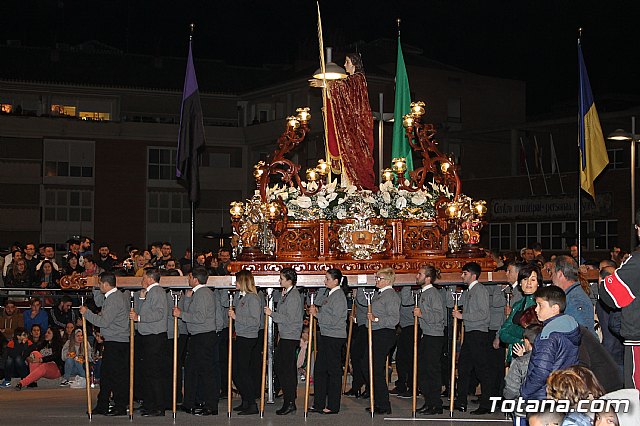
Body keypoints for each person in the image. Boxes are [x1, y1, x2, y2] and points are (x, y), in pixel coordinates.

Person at [310, 52, 375, 190]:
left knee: (355, 156)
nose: (345, 65)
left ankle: (357, 186)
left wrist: (324, 84)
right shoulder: (352, 80)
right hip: (351, 123)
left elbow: (343, 88)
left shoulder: (358, 79)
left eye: (347, 62)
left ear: (354, 63)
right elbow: (344, 98)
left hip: (356, 127)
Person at [598, 210, 640, 390]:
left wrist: (605, 279)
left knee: (636, 394)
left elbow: (611, 295)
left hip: (638, 339)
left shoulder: (637, 261)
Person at [80, 272, 130, 416]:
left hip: (117, 342)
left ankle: (120, 406)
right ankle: (103, 404)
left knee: (116, 376)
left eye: (100, 283)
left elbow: (104, 321)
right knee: (107, 375)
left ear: (106, 284)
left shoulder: (114, 299)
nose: (99, 285)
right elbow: (102, 307)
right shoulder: (112, 297)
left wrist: (87, 313)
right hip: (113, 340)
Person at [520, 286, 581, 401]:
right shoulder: (571, 327)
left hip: (545, 395)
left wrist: (525, 391)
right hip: (565, 391)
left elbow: (541, 371)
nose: (536, 310)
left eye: (540, 305)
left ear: (555, 308)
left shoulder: (548, 335)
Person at [173, 267, 220, 416]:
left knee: (206, 372)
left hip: (203, 336)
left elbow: (200, 317)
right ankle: (189, 403)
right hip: (197, 336)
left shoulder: (203, 294)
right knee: (192, 370)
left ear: (195, 279)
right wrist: (187, 299)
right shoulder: (197, 293)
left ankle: (211, 406)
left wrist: (181, 315)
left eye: (189, 277)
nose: (188, 279)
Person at [452, 262, 493, 414]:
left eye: (465, 273)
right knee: (463, 368)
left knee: (482, 369)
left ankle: (486, 404)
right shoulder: (469, 291)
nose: (462, 276)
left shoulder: (479, 290)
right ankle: (461, 401)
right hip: (470, 333)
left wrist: (463, 316)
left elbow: (484, 314)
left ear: (473, 275)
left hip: (478, 333)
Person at [308, 268, 349, 414]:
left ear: (336, 281)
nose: (325, 281)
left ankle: (333, 405)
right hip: (326, 335)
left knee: (333, 372)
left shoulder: (338, 296)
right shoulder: (329, 294)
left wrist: (318, 315)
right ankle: (318, 402)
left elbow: (335, 319)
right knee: (320, 370)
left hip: (334, 336)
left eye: (327, 279)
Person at [129, 268, 168, 417]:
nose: (141, 279)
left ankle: (158, 407)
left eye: (144, 277)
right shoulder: (151, 292)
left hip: (154, 337)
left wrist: (139, 318)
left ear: (150, 278)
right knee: (149, 373)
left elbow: (158, 313)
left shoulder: (157, 292)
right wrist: (140, 299)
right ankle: (150, 404)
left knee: (154, 373)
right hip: (149, 336)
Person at [264, 267, 303, 415]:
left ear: (289, 280)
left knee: (285, 369)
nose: (279, 281)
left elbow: (289, 319)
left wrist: (271, 314)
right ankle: (289, 398)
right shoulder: (286, 294)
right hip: (286, 335)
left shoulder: (293, 296)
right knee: (283, 368)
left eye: (281, 278)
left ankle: (290, 401)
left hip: (290, 336)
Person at [229, 269, 262, 415]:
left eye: (237, 281)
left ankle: (252, 403)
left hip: (248, 337)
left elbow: (255, 321)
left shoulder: (253, 298)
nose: (234, 283)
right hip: (241, 336)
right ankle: (245, 401)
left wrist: (236, 317)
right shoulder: (241, 297)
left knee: (242, 371)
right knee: (237, 371)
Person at [413, 265, 445, 415]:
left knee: (432, 371)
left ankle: (435, 404)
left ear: (428, 278)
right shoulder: (424, 293)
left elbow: (439, 317)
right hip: (426, 334)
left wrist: (422, 314)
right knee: (424, 371)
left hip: (434, 335)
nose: (417, 276)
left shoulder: (433, 294)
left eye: (420, 274)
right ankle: (429, 401)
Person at [499, 262, 541, 362]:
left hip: (532, 357)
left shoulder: (541, 305)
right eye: (525, 279)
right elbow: (502, 333)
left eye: (533, 279)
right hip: (515, 356)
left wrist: (513, 330)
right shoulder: (517, 305)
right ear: (520, 283)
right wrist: (520, 340)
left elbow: (534, 334)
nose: (529, 283)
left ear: (538, 283)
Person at [550, 255, 594, 333]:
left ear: (559, 274)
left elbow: (582, 334)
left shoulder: (575, 300)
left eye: (552, 273)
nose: (551, 278)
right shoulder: (573, 296)